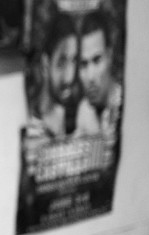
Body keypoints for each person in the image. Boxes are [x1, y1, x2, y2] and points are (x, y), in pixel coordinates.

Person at [26, 11, 81, 140]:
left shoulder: (74, 115)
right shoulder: (29, 119)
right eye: (61, 62)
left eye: (73, 60)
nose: (69, 76)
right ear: (45, 64)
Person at [75, 10, 122, 139]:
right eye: (83, 64)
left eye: (97, 60)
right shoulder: (84, 109)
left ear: (109, 56)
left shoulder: (126, 104)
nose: (90, 77)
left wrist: (95, 134)